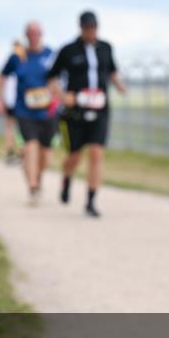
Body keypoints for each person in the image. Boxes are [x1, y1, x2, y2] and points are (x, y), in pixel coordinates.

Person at [48, 11, 126, 218]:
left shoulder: (106, 48)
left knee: (96, 153)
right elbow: (51, 78)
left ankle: (91, 200)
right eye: (88, 28)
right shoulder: (68, 51)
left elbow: (112, 71)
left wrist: (120, 86)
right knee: (74, 155)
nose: (92, 32)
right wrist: (63, 96)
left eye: (94, 28)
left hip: (100, 108)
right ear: (81, 28)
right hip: (76, 111)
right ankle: (67, 178)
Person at [0, 21, 57, 205]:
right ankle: (32, 188)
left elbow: (59, 80)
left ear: (42, 34)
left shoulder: (51, 56)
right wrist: (0, 99)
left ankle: (37, 177)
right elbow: (2, 76)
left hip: (48, 111)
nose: (33, 36)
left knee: (46, 156)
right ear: (25, 35)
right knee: (30, 147)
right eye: (30, 33)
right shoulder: (17, 57)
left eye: (36, 32)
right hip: (24, 110)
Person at [1, 40, 26, 165]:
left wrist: (2, 99)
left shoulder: (13, 59)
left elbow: (2, 77)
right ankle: (19, 153)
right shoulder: (25, 58)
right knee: (17, 127)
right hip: (18, 98)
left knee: (12, 127)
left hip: (13, 98)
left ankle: (14, 152)